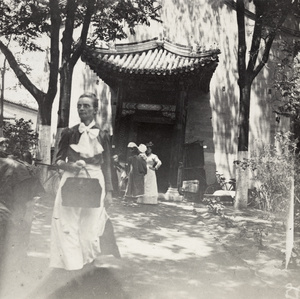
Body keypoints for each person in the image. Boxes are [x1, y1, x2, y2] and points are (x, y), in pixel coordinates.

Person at [50, 92, 120, 271]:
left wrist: (110, 192)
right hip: (71, 179)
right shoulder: (69, 132)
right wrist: (69, 166)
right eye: (79, 105)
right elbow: (57, 160)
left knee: (90, 228)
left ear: (95, 110)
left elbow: (107, 166)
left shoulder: (103, 135)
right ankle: (72, 265)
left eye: (86, 106)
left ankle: (87, 262)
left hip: (95, 180)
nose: (82, 108)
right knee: (66, 223)